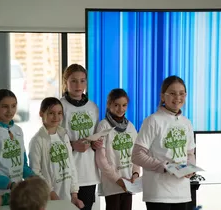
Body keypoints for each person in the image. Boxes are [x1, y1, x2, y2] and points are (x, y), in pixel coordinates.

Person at [132, 76, 196, 210]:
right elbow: (137, 155)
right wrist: (165, 166)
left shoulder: (187, 122)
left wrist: (190, 167)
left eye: (181, 93)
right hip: (158, 193)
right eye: (172, 93)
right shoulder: (152, 121)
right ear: (162, 96)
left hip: (182, 192)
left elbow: (190, 152)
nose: (177, 97)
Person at [60, 64, 103, 210]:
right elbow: (52, 139)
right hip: (67, 173)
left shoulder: (93, 107)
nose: (79, 85)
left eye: (82, 80)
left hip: (89, 171)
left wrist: (97, 144)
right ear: (65, 82)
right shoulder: (60, 106)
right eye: (73, 81)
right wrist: (72, 145)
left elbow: (96, 135)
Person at [29, 97, 84, 208]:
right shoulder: (37, 140)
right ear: (41, 113)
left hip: (67, 199)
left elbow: (71, 165)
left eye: (59, 113)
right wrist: (51, 193)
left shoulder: (64, 136)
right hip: (49, 200)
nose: (56, 117)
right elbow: (35, 172)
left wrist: (74, 195)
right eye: (51, 113)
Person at [0, 89, 35, 196]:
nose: (10, 111)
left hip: (17, 194)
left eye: (13, 106)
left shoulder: (18, 130)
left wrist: (34, 178)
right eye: (5, 106)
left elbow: (23, 166)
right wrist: (9, 184)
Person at [95, 89, 140, 210]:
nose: (121, 109)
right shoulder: (103, 125)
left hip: (129, 183)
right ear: (109, 105)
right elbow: (101, 159)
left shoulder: (130, 126)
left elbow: (136, 153)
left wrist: (135, 174)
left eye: (124, 105)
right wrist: (118, 179)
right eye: (116, 105)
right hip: (112, 184)